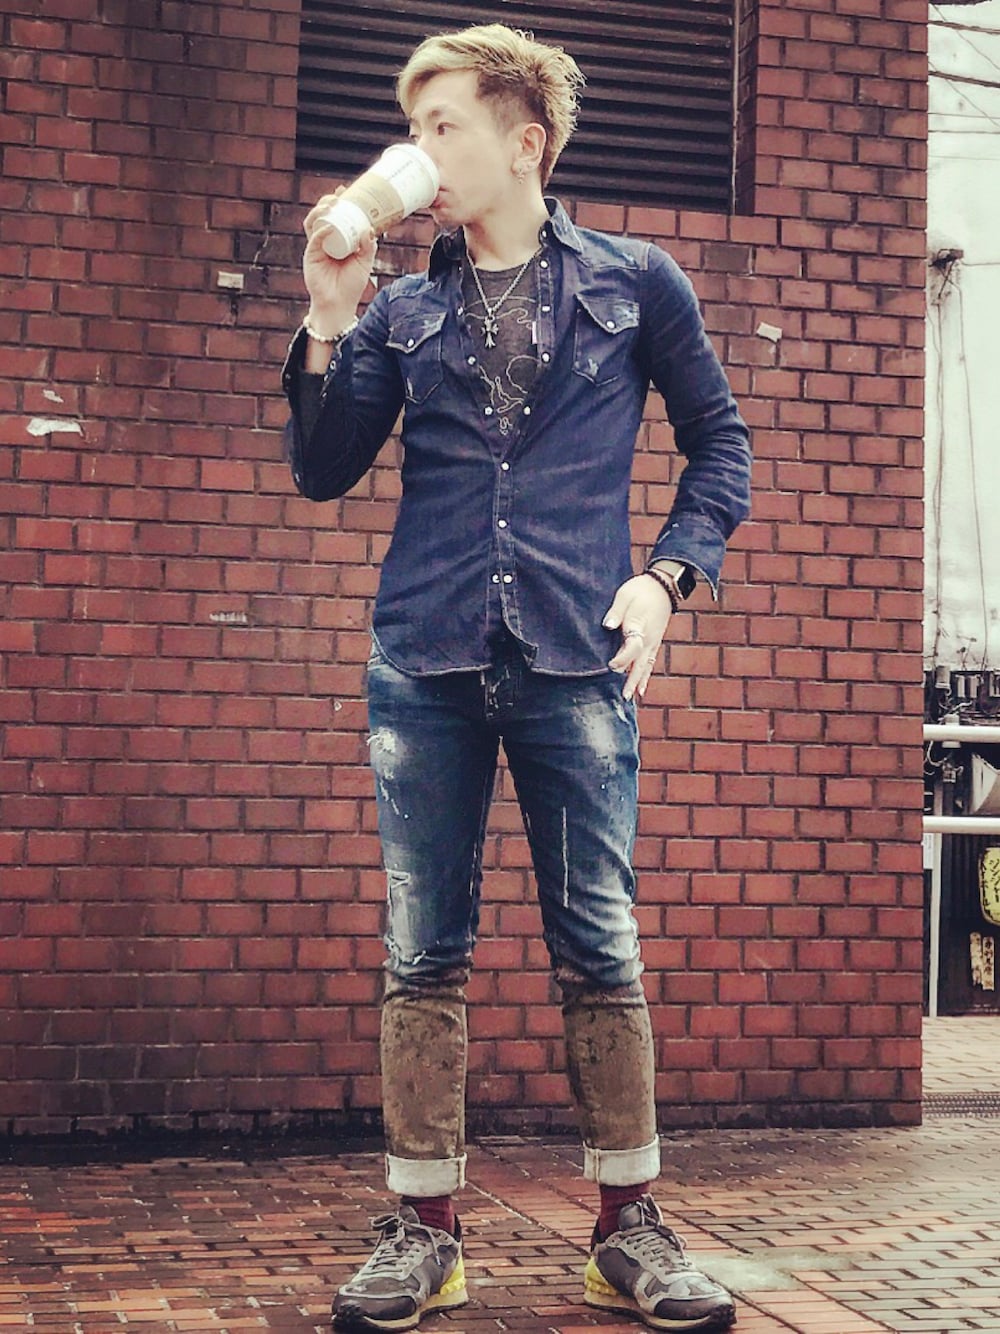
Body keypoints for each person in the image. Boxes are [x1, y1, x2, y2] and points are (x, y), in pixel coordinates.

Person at [281, 23, 750, 1334]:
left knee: (599, 942)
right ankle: (423, 1234)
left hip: (576, 656)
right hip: (423, 660)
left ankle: (628, 1231)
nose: (419, 149)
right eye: (413, 127)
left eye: (444, 126)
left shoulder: (638, 282)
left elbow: (720, 446)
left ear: (525, 141)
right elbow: (320, 468)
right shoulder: (403, 311)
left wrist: (667, 578)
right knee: (422, 950)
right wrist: (330, 314)